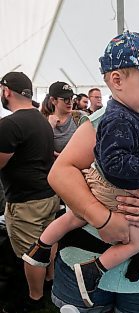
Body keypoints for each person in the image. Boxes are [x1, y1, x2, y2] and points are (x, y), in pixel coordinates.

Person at [23, 31, 139, 307]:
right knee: (131, 238)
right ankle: (90, 269)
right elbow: (83, 169)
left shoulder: (138, 116)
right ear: (117, 81)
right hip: (111, 198)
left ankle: (43, 246)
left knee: (73, 218)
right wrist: (105, 218)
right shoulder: (115, 119)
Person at [0, 72, 60, 312]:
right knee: (47, 242)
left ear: (6, 91)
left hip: (26, 203)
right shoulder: (41, 120)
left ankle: (34, 299)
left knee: (31, 253)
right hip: (48, 195)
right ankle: (49, 280)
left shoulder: (10, 124)